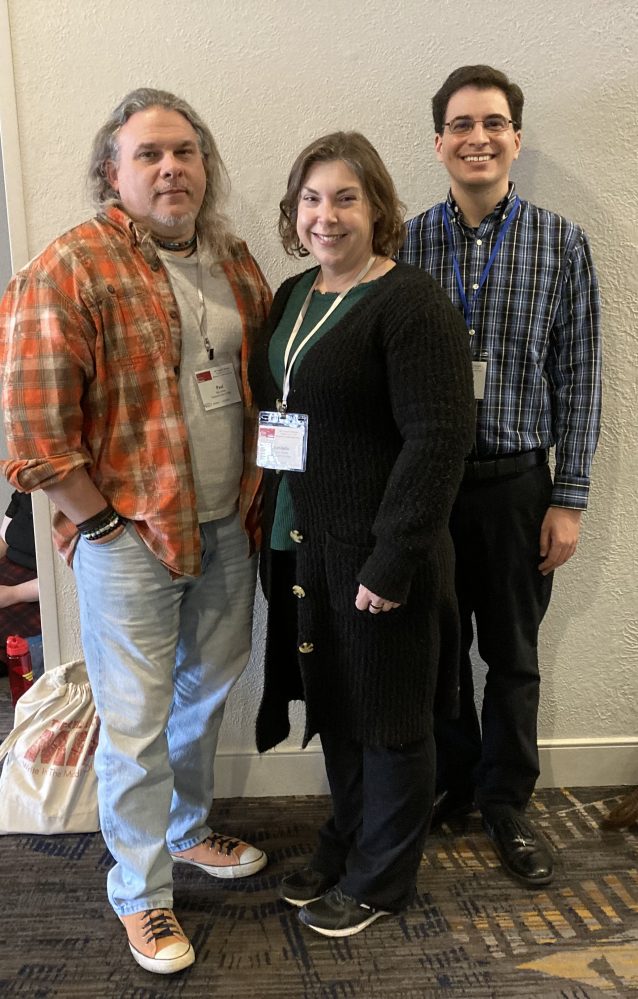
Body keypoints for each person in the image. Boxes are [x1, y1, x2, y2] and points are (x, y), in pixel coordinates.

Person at [0, 88, 272, 974]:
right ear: (111, 171)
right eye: (150, 153)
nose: (172, 168)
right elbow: (36, 431)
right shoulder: (70, 267)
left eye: (186, 152)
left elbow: (266, 381)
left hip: (228, 525)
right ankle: (142, 894)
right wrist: (103, 522)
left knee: (205, 693)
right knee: (135, 722)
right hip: (130, 538)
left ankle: (187, 830)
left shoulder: (232, 260)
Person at [249, 132, 474, 937]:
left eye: (346, 197)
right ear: (294, 211)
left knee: (392, 720)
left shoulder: (410, 304)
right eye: (312, 198)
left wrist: (393, 559)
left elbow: (438, 438)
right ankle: (347, 841)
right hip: (301, 542)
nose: (326, 215)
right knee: (338, 706)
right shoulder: (292, 295)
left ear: (378, 207)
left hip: (378, 553)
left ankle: (382, 878)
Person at [399, 65, 602, 888]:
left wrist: (570, 497)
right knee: (439, 650)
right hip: (428, 488)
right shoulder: (405, 243)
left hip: (520, 485)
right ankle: (452, 780)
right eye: (460, 124)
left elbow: (580, 373)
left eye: (493, 123)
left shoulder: (562, 243)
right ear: (438, 141)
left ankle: (508, 800)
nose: (476, 137)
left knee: (513, 655)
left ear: (516, 138)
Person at [0, 491, 40, 675]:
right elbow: (4, 540)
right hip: (10, 568)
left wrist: (12, 594)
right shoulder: (24, 491)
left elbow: (67, 580)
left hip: (38, 587)